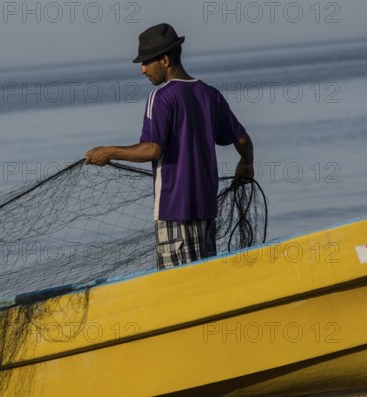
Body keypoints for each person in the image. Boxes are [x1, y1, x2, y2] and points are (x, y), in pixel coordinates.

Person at [85, 23, 254, 269]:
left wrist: (109, 151)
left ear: (164, 60)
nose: (142, 70)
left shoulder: (161, 97)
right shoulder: (210, 94)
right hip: (206, 212)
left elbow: (152, 149)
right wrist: (246, 162)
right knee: (205, 283)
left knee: (178, 290)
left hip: (174, 211)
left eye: (146, 62)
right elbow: (242, 140)